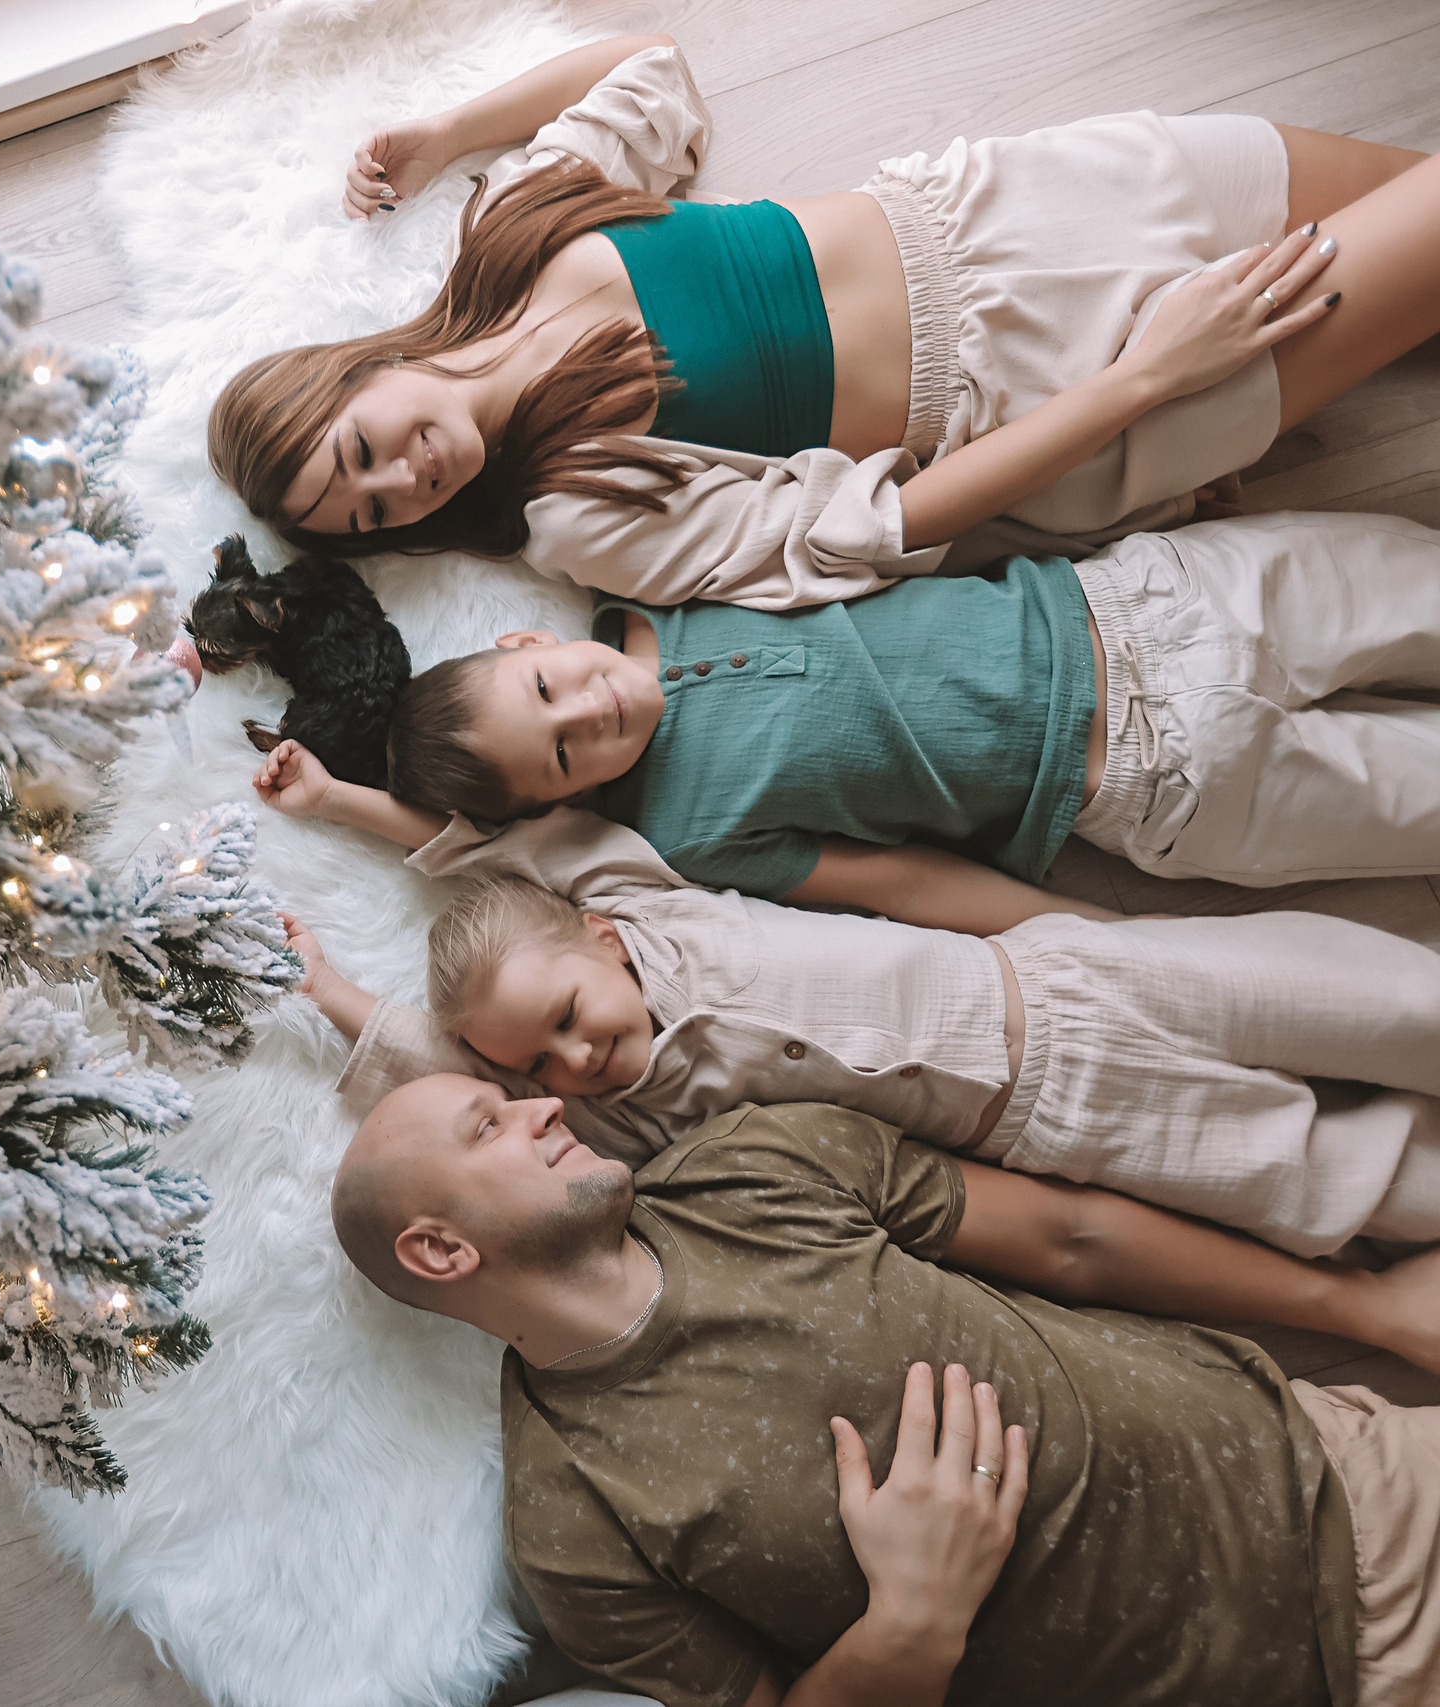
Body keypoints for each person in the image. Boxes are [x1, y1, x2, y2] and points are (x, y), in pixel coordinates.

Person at [208, 37, 1440, 608]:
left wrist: (445, 137)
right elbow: (879, 529)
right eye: (379, 515)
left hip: (1026, 199)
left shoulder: (509, 227)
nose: (406, 480)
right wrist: (1150, 380)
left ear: (353, 374)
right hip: (1080, 376)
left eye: (362, 451)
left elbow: (645, 69)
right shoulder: (571, 515)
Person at [333, 1073, 1440, 1705]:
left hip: (1354, 1471)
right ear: (438, 1252)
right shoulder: (572, 1523)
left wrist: (1360, 1311)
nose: (540, 1107)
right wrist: (911, 1620)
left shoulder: (749, 1164)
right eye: (490, 1125)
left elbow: (1073, 1239)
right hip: (1314, 1683)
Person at [245, 509, 1440, 914]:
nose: (588, 716)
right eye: (562, 756)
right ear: (567, 798)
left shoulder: (657, 591)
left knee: (1402, 582)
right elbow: (902, 887)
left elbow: (885, 522)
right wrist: (1077, 935)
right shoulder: (689, 833)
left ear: (529, 638)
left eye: (550, 687)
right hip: (1151, 781)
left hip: (1129, 608)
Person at [275, 854, 1440, 1255]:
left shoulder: (653, 904)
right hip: (1051, 1124)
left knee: (1380, 997)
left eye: (571, 1014)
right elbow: (450, 1071)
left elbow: (511, 817)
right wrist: (334, 995)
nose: (574, 1058)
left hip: (1066, 975)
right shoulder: (626, 1124)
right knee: (1325, 1181)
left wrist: (344, 792)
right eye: (543, 1063)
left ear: (602, 937)